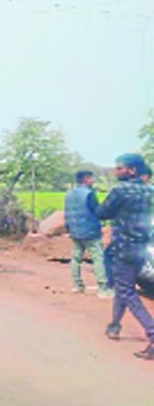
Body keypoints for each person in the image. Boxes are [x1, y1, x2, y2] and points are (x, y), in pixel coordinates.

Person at [98, 153, 154, 359]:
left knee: (127, 291)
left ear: (132, 170)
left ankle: (152, 332)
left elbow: (103, 212)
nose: (116, 171)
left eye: (120, 168)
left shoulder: (120, 190)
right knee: (124, 286)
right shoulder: (150, 190)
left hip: (123, 247)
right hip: (142, 248)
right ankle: (114, 326)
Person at [64, 170, 111, 298]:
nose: (93, 181)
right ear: (86, 180)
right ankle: (103, 288)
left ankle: (77, 285)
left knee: (76, 258)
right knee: (98, 258)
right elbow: (97, 211)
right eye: (91, 178)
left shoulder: (69, 194)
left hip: (75, 231)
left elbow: (67, 213)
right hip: (90, 231)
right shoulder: (89, 194)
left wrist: (69, 229)